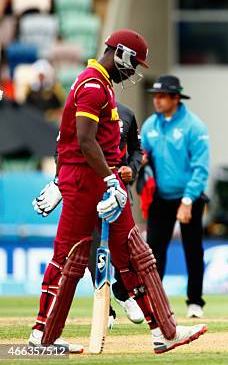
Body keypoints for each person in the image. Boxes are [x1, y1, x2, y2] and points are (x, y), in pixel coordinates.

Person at [27, 29, 206, 354]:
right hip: (87, 182)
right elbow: (84, 141)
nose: (134, 70)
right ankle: (42, 335)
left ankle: (163, 331)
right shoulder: (93, 85)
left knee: (135, 256)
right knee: (68, 256)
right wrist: (110, 181)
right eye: (134, 62)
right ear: (120, 53)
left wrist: (110, 180)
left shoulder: (99, 83)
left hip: (96, 181)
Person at [33, 100, 146, 328]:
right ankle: (105, 306)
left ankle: (122, 292)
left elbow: (137, 150)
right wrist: (61, 183)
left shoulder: (126, 113)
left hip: (116, 191)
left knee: (127, 247)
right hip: (86, 191)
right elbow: (61, 151)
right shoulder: (78, 112)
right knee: (93, 251)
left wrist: (131, 169)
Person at [140, 75, 210, 319]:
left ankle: (195, 302)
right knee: (154, 251)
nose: (157, 101)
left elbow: (201, 168)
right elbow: (141, 155)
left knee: (193, 250)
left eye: (162, 96)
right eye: (155, 97)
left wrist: (188, 200)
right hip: (160, 197)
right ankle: (155, 300)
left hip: (189, 197)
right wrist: (141, 162)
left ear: (175, 98)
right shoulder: (150, 125)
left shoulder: (194, 126)